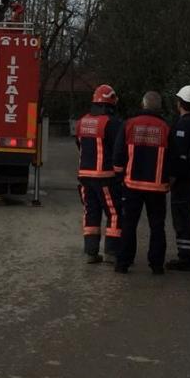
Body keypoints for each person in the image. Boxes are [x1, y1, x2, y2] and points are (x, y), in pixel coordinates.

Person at [113, 91, 171, 275]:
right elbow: (173, 158)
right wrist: (169, 179)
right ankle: (156, 265)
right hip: (157, 187)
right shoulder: (165, 127)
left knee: (129, 224)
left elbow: (118, 153)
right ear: (159, 107)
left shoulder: (129, 124)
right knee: (157, 226)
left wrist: (119, 176)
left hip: (132, 185)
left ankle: (123, 263)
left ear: (142, 104)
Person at [74, 84, 123, 264]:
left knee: (90, 213)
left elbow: (79, 146)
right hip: (105, 177)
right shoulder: (112, 123)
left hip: (84, 177)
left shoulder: (81, 122)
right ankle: (111, 252)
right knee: (114, 213)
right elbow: (118, 150)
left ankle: (91, 252)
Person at [167, 84, 190, 271]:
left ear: (180, 103)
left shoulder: (181, 126)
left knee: (182, 219)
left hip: (183, 182)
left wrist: (171, 179)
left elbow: (179, 157)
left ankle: (186, 257)